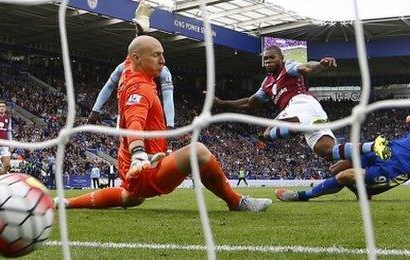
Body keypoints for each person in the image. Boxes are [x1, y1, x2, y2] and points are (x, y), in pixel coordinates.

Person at [56, 36, 271, 212]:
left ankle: (68, 202)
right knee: (198, 151)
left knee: (130, 197)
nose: (163, 60)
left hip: (137, 168)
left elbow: (137, 46)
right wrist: (139, 153)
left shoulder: (130, 70)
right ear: (138, 59)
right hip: (145, 167)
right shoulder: (139, 88)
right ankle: (236, 202)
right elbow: (135, 123)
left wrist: (141, 23)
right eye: (156, 55)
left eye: (162, 54)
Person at [275, 103, 410, 202]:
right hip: (384, 150)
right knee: (335, 168)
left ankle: (301, 196)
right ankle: (363, 192)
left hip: (397, 168)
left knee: (343, 176)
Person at [213, 46, 338, 161]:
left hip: (300, 102)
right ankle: (354, 154)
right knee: (329, 153)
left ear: (281, 58)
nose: (268, 61)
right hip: (307, 111)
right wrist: (222, 103)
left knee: (268, 133)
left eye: (272, 57)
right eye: (265, 58)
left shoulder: (288, 66)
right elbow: (249, 103)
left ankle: (298, 125)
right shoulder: (266, 83)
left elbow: (306, 67)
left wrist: (321, 64)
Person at [88, 0, 175, 132]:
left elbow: (109, 86)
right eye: (157, 54)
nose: (162, 60)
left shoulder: (161, 69)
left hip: (141, 117)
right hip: (133, 116)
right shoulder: (126, 66)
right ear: (136, 57)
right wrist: (170, 125)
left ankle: (142, 29)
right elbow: (109, 86)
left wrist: (95, 111)